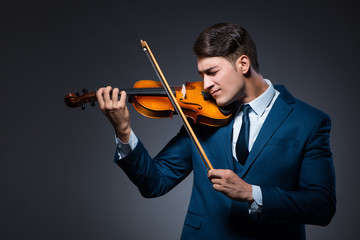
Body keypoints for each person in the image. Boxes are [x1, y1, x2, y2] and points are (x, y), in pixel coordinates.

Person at [96, 23, 336, 239]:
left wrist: (253, 193)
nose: (206, 84)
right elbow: (155, 183)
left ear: (243, 64)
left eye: (212, 72)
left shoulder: (309, 122)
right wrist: (124, 130)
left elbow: (322, 206)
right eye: (202, 74)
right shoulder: (201, 118)